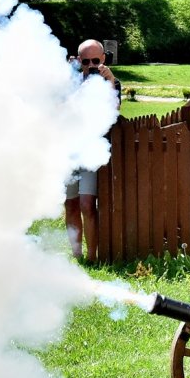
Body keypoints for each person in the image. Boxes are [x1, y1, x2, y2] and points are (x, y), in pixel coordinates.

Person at [65, 39, 121, 262]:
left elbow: (114, 109)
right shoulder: (69, 81)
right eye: (85, 61)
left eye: (95, 61)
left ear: (103, 60)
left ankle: (91, 256)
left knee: (87, 204)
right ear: (79, 60)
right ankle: (76, 254)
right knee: (70, 204)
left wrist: (108, 81)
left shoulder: (112, 83)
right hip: (69, 150)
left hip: (91, 151)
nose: (90, 65)